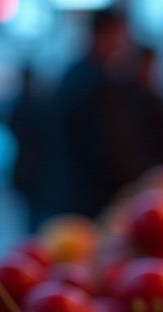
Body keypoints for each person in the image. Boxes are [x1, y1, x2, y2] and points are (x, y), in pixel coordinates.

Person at [50, 8, 138, 218]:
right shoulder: (96, 83)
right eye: (120, 35)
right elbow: (106, 146)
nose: (123, 44)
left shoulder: (73, 75)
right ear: (102, 34)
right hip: (91, 199)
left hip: (70, 192)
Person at [8, 67, 51, 231]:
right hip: (38, 167)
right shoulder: (39, 104)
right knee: (38, 211)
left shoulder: (18, 106)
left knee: (31, 213)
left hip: (25, 167)